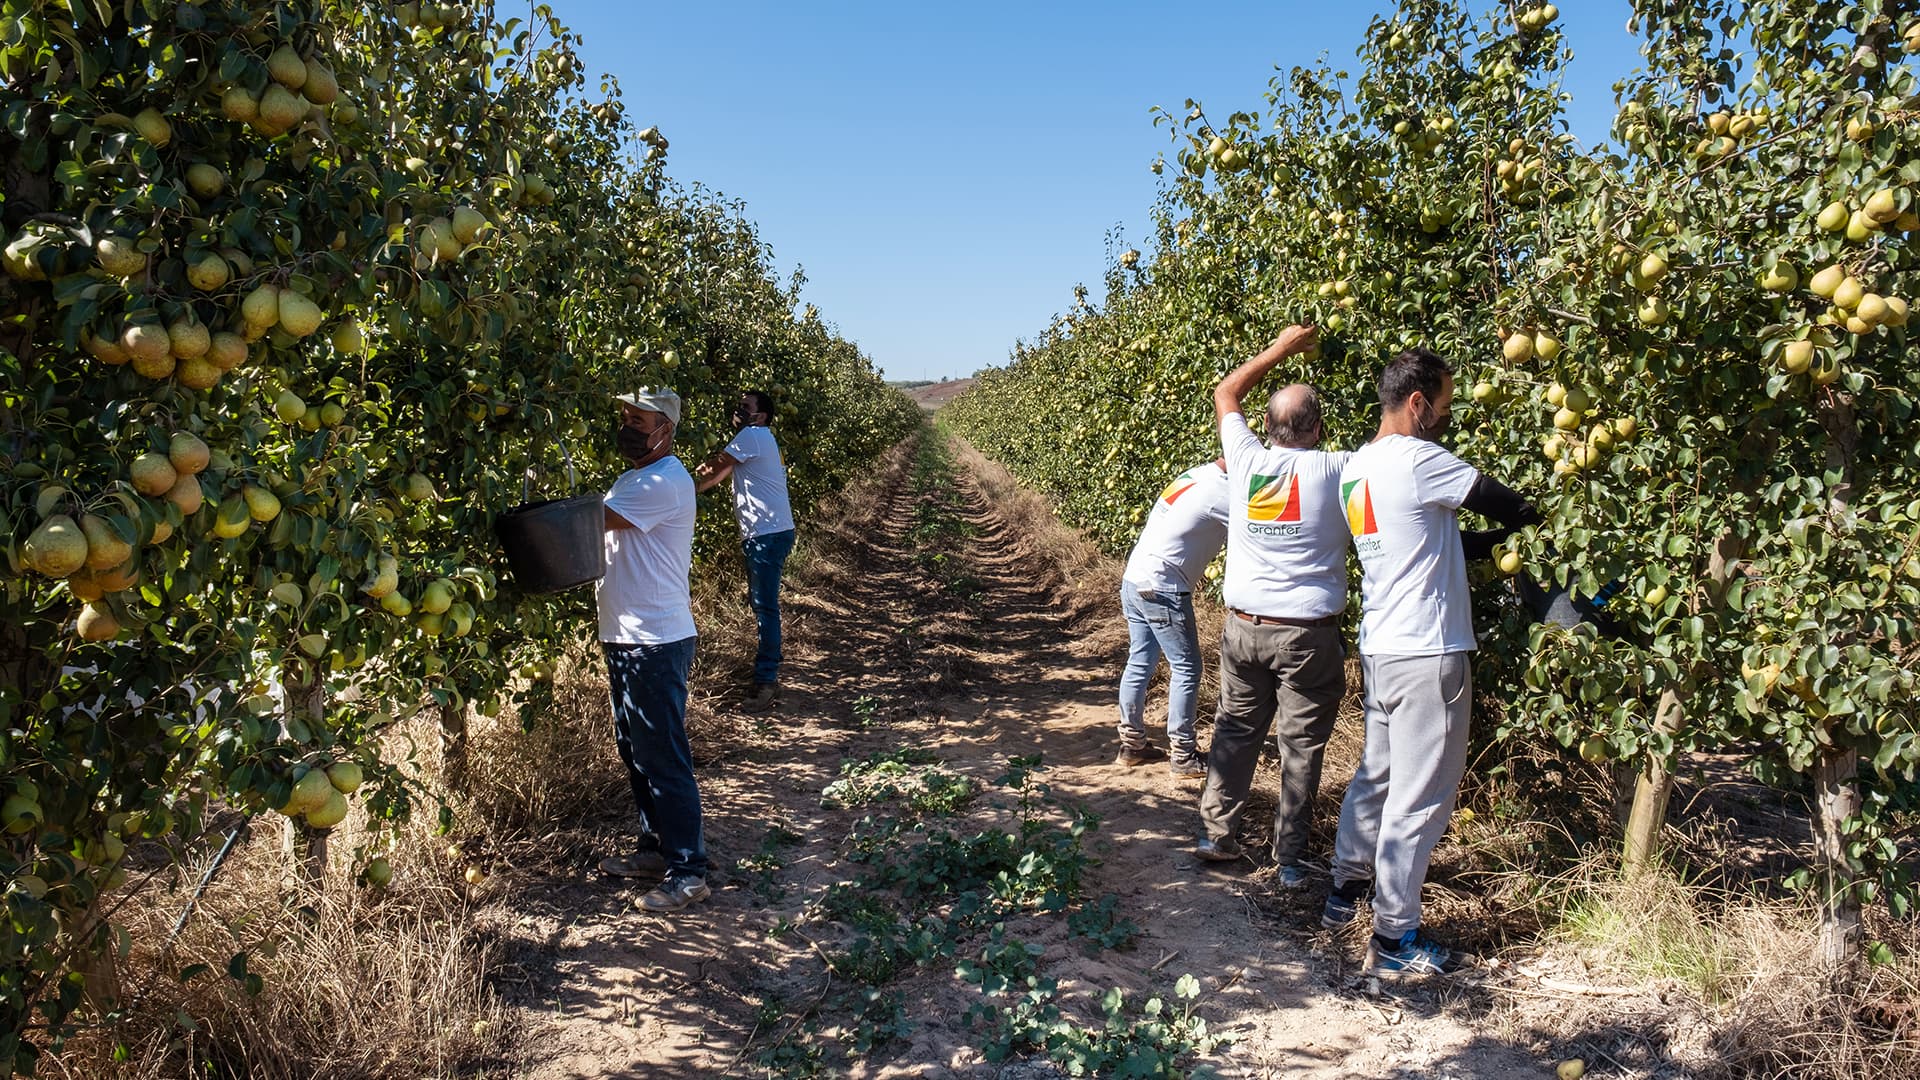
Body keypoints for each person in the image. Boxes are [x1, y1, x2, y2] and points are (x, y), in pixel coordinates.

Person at [1323, 348, 1539, 975]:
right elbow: (1508, 504)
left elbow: (1434, 538)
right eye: (1443, 406)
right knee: (1420, 798)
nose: (1447, 417)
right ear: (1417, 404)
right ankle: (1395, 939)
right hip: (1428, 650)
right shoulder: (1421, 460)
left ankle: (1344, 891)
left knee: (1378, 775)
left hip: (1383, 646)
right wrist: (1544, 520)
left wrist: (1499, 544)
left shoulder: (1358, 469)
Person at [1194, 325, 1354, 893]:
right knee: (1301, 747)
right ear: (1320, 429)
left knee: (1235, 731)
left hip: (1243, 628)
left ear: (1267, 428)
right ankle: (1288, 859)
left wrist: (1283, 347)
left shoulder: (1245, 459)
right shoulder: (1338, 468)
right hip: (1306, 635)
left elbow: (1225, 391)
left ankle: (1217, 834)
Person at [597, 386, 710, 914]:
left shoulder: (664, 481)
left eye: (637, 418)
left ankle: (688, 872)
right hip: (625, 635)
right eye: (625, 416)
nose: (627, 425)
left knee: (662, 755)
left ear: (664, 428)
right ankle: (654, 849)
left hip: (655, 639)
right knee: (635, 749)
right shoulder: (634, 478)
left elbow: (591, 521)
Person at [1115, 460, 1230, 779]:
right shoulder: (1223, 491)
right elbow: (1260, 529)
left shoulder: (1195, 474)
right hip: (1162, 587)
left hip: (1135, 579)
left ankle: (1132, 745)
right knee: (1187, 667)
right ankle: (1183, 755)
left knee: (1140, 660)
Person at [695, 390, 795, 710]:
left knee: (765, 606)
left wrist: (673, 485)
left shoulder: (752, 435)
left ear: (761, 416)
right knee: (762, 603)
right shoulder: (762, 438)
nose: (738, 410)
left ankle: (766, 682)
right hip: (772, 532)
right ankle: (768, 669)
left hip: (767, 534)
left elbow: (716, 470)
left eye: (745, 406)